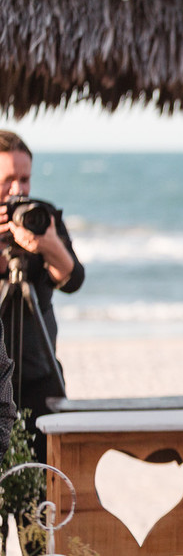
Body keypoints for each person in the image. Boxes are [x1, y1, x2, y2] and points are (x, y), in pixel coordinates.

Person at [0, 130, 83, 462]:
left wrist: (47, 244)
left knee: (47, 472)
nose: (18, 189)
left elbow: (73, 279)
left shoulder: (41, 217)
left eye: (25, 179)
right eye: (8, 180)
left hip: (40, 371)